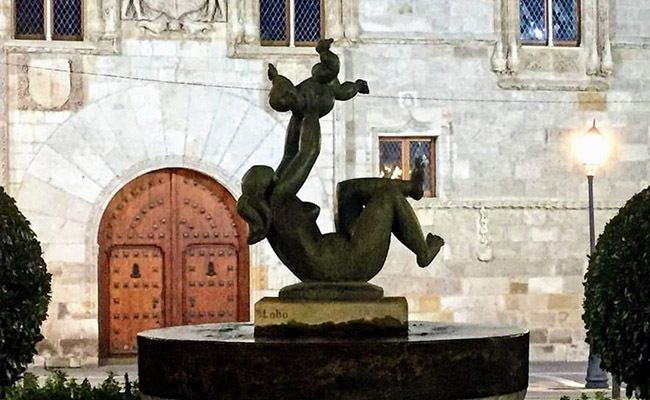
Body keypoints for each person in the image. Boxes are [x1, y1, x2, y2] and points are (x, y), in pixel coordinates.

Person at [237, 111, 444, 283]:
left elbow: (289, 155)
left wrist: (297, 114)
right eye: (274, 177)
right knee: (387, 196)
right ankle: (423, 252)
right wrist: (312, 112)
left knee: (348, 191)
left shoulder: (272, 202)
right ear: (268, 187)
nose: (279, 177)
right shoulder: (278, 200)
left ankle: (413, 187)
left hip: (340, 256)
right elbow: (310, 151)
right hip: (352, 262)